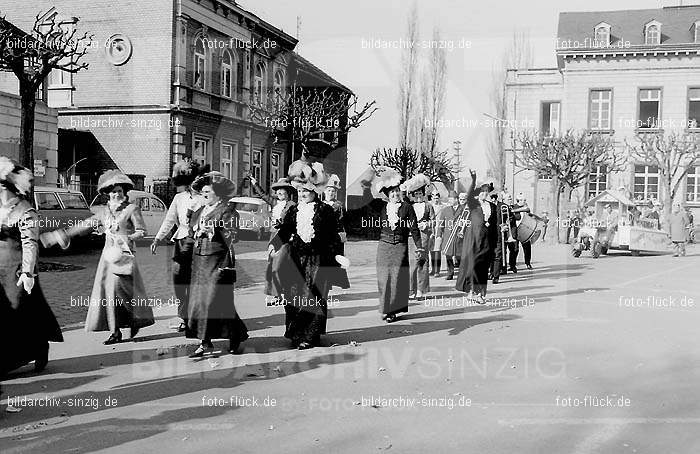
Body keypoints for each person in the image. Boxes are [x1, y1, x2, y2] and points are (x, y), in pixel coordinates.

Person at [43, 170, 154, 344]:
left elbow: (142, 231)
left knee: (125, 292)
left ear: (124, 191)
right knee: (109, 293)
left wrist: (129, 237)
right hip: (108, 259)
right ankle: (114, 331)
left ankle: (135, 320)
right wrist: (60, 235)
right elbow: (84, 225)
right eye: (113, 191)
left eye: (119, 190)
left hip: (125, 256)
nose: (117, 194)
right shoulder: (104, 212)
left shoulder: (132, 209)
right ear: (107, 194)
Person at [0, 157, 63, 375]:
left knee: (19, 310)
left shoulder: (26, 211)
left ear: (8, 187)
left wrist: (28, 272)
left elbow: (30, 243)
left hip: (17, 268)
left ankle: (37, 347)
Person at [273, 169, 343, 349]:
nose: (303, 194)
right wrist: (274, 245)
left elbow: (333, 236)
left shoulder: (325, 210)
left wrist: (335, 257)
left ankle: (311, 335)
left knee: (314, 294)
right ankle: (297, 333)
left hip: (318, 259)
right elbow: (285, 230)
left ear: (315, 191)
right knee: (294, 294)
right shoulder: (294, 210)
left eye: (306, 191)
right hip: (296, 257)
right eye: (300, 191)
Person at [186, 171, 248, 357]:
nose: (204, 195)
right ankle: (204, 342)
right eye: (203, 192)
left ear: (218, 194)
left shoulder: (228, 211)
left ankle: (235, 335)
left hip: (218, 259)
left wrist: (213, 228)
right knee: (198, 302)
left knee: (216, 301)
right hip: (199, 260)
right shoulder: (198, 212)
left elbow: (234, 236)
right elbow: (190, 231)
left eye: (208, 192)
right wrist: (197, 231)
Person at [362, 168, 423, 323]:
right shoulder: (382, 207)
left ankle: (393, 311)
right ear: (387, 195)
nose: (395, 194)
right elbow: (367, 198)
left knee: (396, 279)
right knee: (384, 278)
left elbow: (414, 228)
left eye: (397, 191)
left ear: (400, 192)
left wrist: (419, 246)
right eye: (392, 193)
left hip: (400, 246)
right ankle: (385, 308)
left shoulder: (407, 208)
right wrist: (369, 181)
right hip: (384, 246)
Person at [150, 160, 203, 332]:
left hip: (199, 243)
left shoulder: (205, 198)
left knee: (196, 282)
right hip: (181, 242)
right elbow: (169, 219)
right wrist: (157, 239)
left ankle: (196, 319)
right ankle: (183, 316)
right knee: (179, 279)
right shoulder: (179, 198)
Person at [249, 174, 297, 303]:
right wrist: (255, 183)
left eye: (283, 190)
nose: (280, 192)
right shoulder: (275, 203)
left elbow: (293, 222)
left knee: (280, 266)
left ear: (288, 192)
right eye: (279, 190)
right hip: (273, 237)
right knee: (272, 266)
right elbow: (263, 195)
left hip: (285, 238)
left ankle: (282, 294)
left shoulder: (292, 205)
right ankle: (276, 294)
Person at [455, 170, 498, 303]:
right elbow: (469, 195)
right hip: (473, 239)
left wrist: (495, 244)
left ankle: (481, 294)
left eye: (486, 192)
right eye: (482, 191)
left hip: (486, 241)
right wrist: (474, 178)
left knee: (483, 267)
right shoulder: (473, 204)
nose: (484, 194)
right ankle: (471, 290)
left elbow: (495, 225)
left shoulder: (492, 206)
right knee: (472, 266)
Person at [404, 174, 433, 299]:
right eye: (416, 195)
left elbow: (434, 221)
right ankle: (411, 290)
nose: (418, 197)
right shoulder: (410, 207)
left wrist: (426, 224)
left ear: (423, 194)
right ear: (413, 196)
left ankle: (421, 289)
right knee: (412, 263)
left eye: (420, 194)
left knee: (422, 261)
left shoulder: (428, 206)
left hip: (424, 235)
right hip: (413, 236)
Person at [322, 174, 350, 290]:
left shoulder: (338, 205)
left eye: (333, 191)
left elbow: (342, 221)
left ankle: (333, 283)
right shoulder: (320, 204)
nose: (331, 193)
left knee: (334, 261)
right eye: (329, 190)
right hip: (323, 237)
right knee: (323, 261)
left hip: (335, 238)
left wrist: (341, 234)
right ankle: (324, 285)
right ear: (324, 191)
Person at [437, 191, 465, 280]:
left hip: (459, 236)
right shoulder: (445, 210)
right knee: (448, 255)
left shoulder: (464, 209)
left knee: (460, 255)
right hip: (448, 236)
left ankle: (462, 272)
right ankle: (450, 273)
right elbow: (441, 223)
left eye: (451, 199)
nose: (449, 201)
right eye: (449, 199)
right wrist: (439, 234)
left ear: (456, 199)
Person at [490, 191, 516, 284]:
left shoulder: (503, 206)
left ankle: (496, 276)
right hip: (488, 234)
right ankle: (491, 272)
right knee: (490, 255)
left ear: (495, 198)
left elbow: (511, 218)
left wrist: (506, 225)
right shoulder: (485, 206)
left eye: (493, 198)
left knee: (497, 255)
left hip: (499, 234)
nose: (492, 200)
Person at [511, 192, 532, 270]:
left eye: (525, 200)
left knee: (527, 248)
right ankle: (512, 265)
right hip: (516, 230)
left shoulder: (526, 207)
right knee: (515, 249)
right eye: (523, 200)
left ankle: (528, 263)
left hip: (524, 230)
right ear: (518, 200)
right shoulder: (513, 207)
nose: (525, 201)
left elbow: (529, 212)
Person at [428, 189, 445, 276]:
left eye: (437, 197)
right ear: (431, 198)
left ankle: (437, 271)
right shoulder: (429, 206)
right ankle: (433, 269)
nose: (436, 199)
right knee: (431, 251)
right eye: (434, 198)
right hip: (431, 230)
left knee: (437, 250)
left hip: (439, 229)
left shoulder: (443, 206)